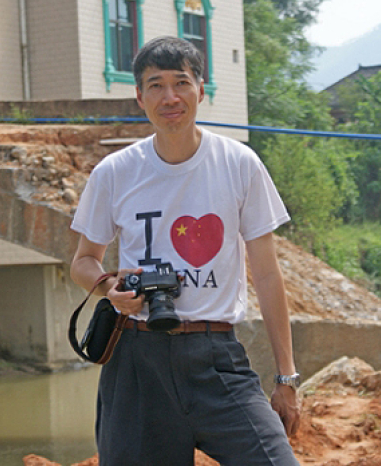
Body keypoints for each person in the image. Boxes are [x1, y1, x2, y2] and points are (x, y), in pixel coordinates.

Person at [70, 36, 302, 466]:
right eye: (155, 85)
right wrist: (108, 287)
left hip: (216, 357)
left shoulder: (239, 164)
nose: (170, 97)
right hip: (136, 361)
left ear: (201, 89)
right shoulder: (115, 172)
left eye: (181, 82)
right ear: (139, 96)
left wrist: (286, 378)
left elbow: (268, 275)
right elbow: (83, 262)